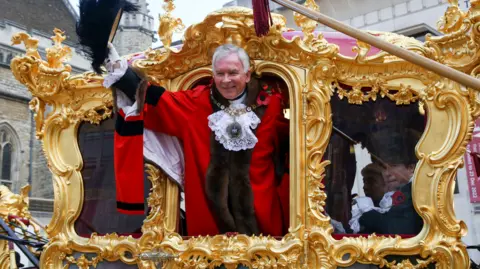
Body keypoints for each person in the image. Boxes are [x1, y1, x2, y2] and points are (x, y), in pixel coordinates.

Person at [106, 43, 290, 237]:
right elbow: (156, 101)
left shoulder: (272, 105)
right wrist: (121, 70)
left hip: (264, 221)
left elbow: (292, 150)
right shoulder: (196, 103)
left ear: (247, 74)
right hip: (210, 228)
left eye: (233, 73)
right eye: (220, 74)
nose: (226, 80)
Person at [355, 130, 423, 235]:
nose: (387, 173)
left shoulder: (414, 192)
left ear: (411, 168)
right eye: (384, 167)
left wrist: (367, 213)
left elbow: (395, 229)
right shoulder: (401, 192)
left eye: (393, 166)